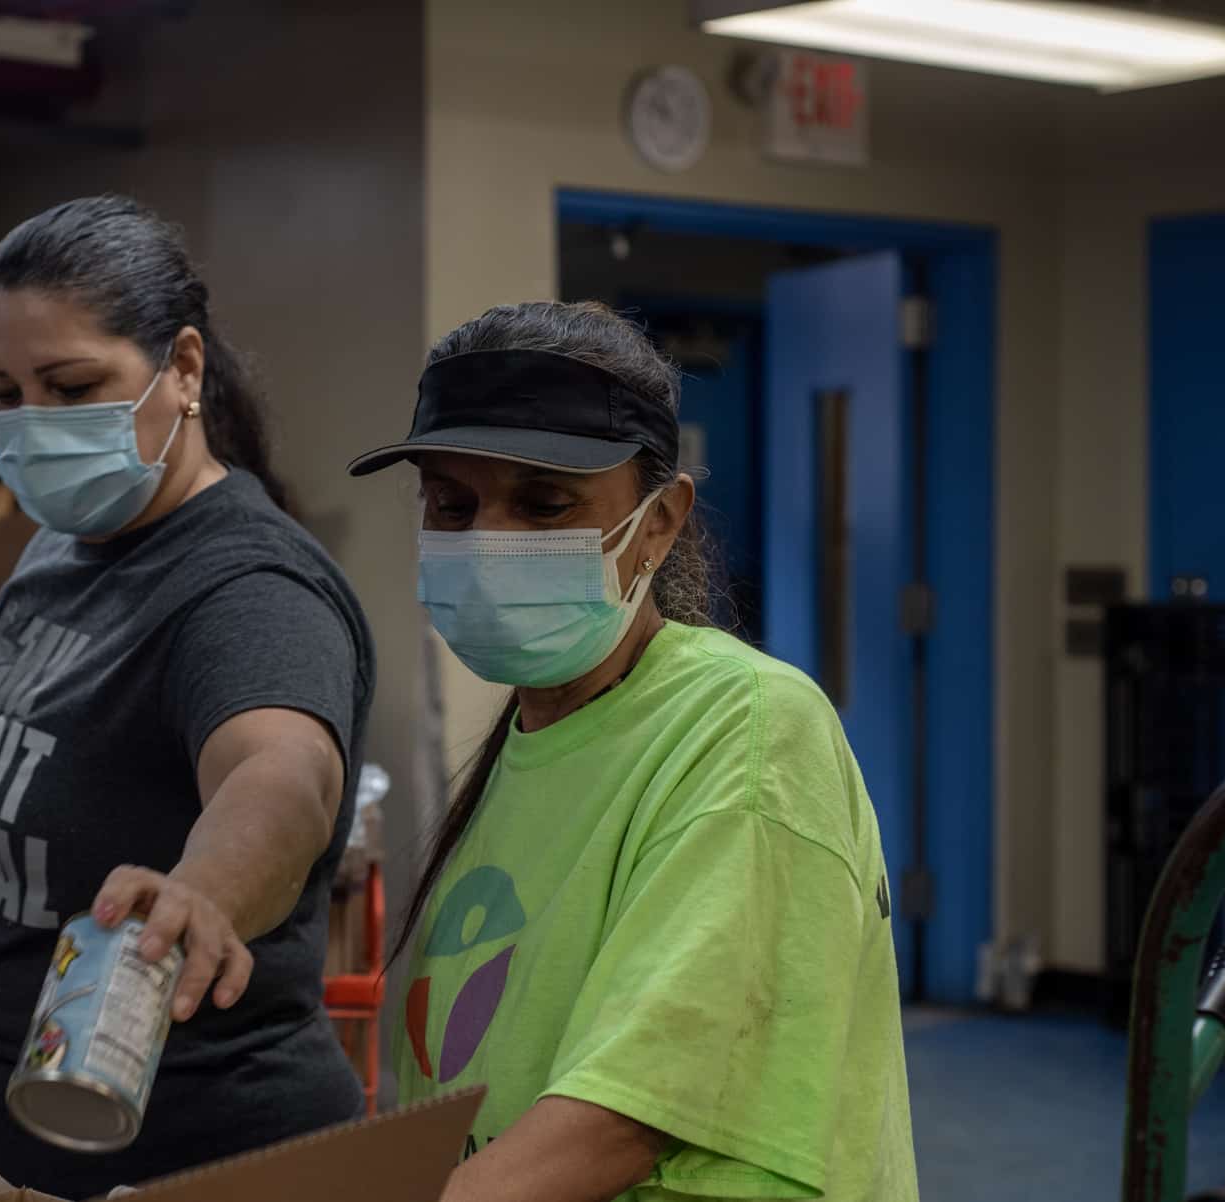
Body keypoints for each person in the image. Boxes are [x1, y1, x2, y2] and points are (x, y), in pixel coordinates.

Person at [0, 196, 375, 1197]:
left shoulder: (249, 590)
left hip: (184, 1156)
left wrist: (206, 890)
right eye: (3, 391)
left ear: (183, 368)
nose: (33, 423)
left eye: (72, 386)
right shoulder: (62, 545)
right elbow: (44, 759)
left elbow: (283, 780)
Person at [349, 301, 918, 1202]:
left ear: (660, 521)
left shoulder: (748, 729)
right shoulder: (524, 746)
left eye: (544, 505)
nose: (488, 546)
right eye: (452, 505)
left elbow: (624, 1116)